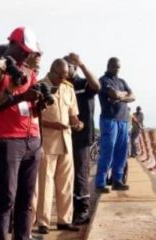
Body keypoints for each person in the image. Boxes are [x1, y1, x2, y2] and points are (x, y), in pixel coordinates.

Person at [0, 27, 49, 240]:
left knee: (25, 199)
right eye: (24, 51)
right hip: (7, 140)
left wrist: (38, 99)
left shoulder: (29, 71)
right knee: (5, 199)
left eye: (29, 52)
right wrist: (17, 92)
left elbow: (30, 103)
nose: (26, 56)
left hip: (32, 139)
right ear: (13, 44)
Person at [35, 59, 83, 234]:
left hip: (66, 140)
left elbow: (73, 115)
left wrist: (78, 123)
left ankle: (64, 219)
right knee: (45, 183)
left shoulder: (68, 89)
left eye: (65, 76)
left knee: (66, 183)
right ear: (52, 71)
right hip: (47, 141)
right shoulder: (40, 86)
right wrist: (52, 124)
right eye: (60, 76)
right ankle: (43, 222)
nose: (63, 79)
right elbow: (34, 117)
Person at [65, 53, 101, 225]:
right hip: (64, 135)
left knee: (81, 172)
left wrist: (82, 64)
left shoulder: (82, 83)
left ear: (74, 68)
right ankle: (71, 208)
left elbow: (97, 86)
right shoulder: (63, 85)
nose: (64, 69)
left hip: (82, 135)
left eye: (68, 66)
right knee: (67, 174)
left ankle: (83, 209)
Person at [95, 57, 135, 193]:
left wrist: (121, 97)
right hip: (109, 120)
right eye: (114, 66)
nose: (116, 69)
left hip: (123, 120)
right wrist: (122, 95)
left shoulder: (122, 81)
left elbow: (133, 96)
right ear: (108, 66)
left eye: (118, 67)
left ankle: (117, 180)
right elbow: (113, 93)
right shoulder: (103, 80)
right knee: (108, 151)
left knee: (122, 152)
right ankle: (100, 182)